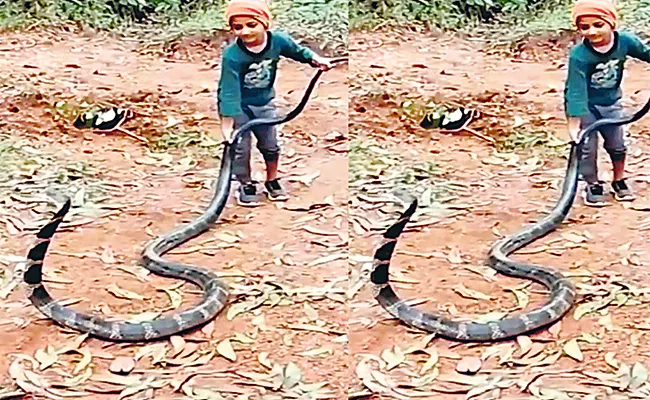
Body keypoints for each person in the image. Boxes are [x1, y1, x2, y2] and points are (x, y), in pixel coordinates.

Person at [216, 0, 334, 207]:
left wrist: (316, 59)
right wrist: (227, 125)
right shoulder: (232, 56)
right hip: (239, 108)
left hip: (264, 103)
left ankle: (272, 180)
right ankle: (246, 184)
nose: (245, 31)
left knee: (270, 144)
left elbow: (298, 52)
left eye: (251, 25)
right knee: (240, 148)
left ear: (264, 23)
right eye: (238, 27)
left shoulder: (278, 41)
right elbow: (229, 91)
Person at [564, 0, 650, 206]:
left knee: (617, 144)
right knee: (586, 147)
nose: (592, 31)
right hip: (587, 107)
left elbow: (646, 53)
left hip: (611, 103)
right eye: (585, 27)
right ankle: (592, 184)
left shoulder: (625, 41)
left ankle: (619, 180)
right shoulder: (579, 55)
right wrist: (574, 124)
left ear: (611, 23)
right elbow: (575, 90)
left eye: (598, 25)